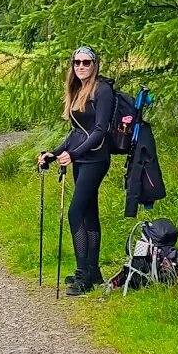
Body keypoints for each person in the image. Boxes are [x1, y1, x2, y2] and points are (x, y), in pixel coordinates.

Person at [37, 45, 115, 296]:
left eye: (86, 62)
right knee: (89, 214)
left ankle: (83, 275)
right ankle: (93, 271)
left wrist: (74, 154)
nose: (81, 66)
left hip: (96, 161)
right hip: (81, 160)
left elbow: (100, 131)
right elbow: (77, 132)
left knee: (75, 213)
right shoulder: (79, 89)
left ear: (95, 65)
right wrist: (54, 153)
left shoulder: (103, 90)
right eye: (76, 62)